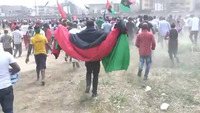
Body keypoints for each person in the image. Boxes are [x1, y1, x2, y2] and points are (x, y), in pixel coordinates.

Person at [78, 20, 103, 97]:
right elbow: (105, 36)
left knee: (88, 72)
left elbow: (75, 37)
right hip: (96, 56)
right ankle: (94, 92)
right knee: (95, 74)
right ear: (93, 25)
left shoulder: (82, 33)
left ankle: (88, 85)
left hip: (87, 56)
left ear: (86, 25)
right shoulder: (97, 33)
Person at [0, 42, 20, 113]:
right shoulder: (6, 55)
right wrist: (9, 71)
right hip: (6, 87)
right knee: (8, 110)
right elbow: (17, 68)